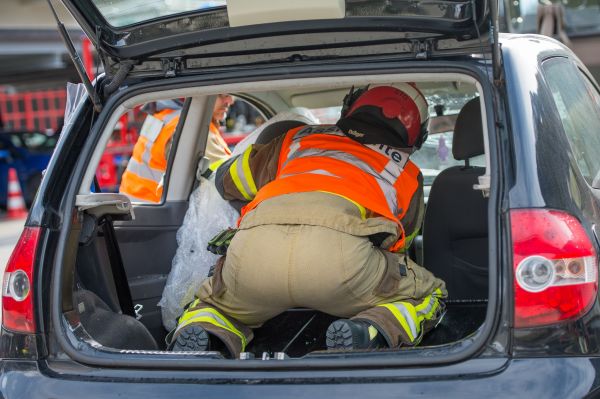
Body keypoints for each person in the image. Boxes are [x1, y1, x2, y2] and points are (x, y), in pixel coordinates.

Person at [168, 84, 447, 358]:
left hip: (254, 252)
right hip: (341, 263)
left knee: (214, 302)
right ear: (416, 137)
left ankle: (207, 333)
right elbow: (400, 242)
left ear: (349, 108)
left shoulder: (296, 140)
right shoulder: (407, 172)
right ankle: (372, 330)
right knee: (429, 292)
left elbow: (229, 181)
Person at [119, 94, 234, 203]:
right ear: (195, 94)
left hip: (136, 207)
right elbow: (224, 182)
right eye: (222, 94)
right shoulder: (188, 126)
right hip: (153, 215)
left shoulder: (166, 117)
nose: (230, 101)